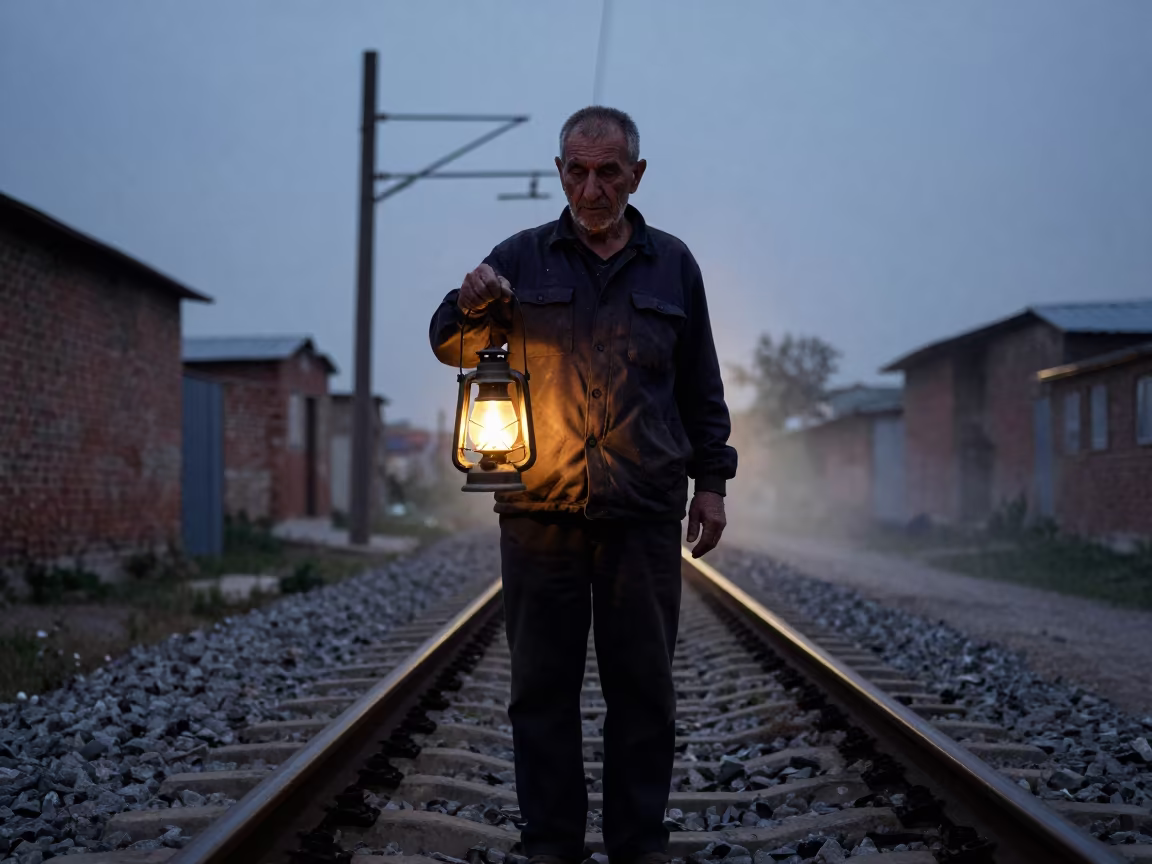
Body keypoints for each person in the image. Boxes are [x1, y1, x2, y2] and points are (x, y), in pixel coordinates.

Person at [428, 106, 737, 864]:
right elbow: (448, 343)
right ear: (559, 171)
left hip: (642, 514)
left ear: (636, 174)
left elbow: (701, 383)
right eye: (576, 170)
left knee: (643, 694)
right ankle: (552, 848)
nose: (591, 187)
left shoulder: (674, 264)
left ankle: (638, 845)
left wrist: (713, 481)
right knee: (541, 693)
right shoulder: (519, 260)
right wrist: (468, 301)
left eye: (607, 171)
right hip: (540, 513)